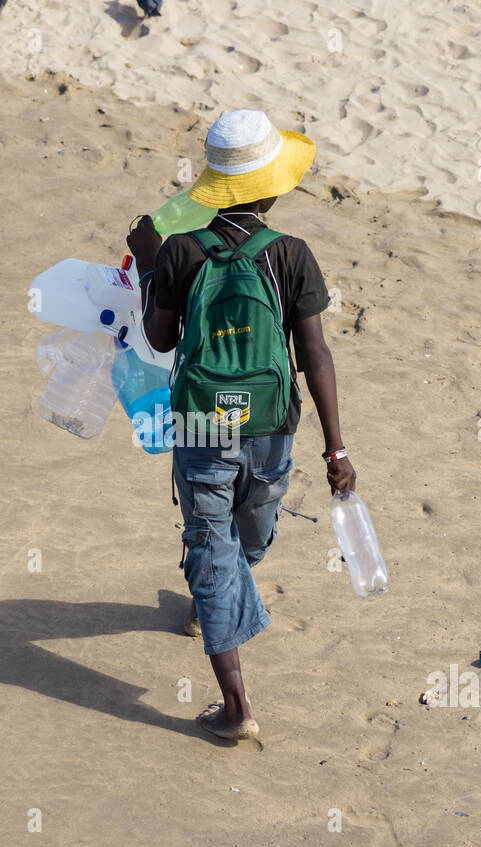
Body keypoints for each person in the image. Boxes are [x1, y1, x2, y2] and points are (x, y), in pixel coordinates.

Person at [125, 109, 356, 741]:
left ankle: (234, 702)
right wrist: (337, 450)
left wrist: (149, 266)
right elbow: (315, 355)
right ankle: (234, 694)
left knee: (214, 546)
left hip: (202, 426)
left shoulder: (181, 250)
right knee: (249, 535)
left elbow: (160, 337)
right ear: (274, 186)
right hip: (272, 426)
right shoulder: (291, 254)